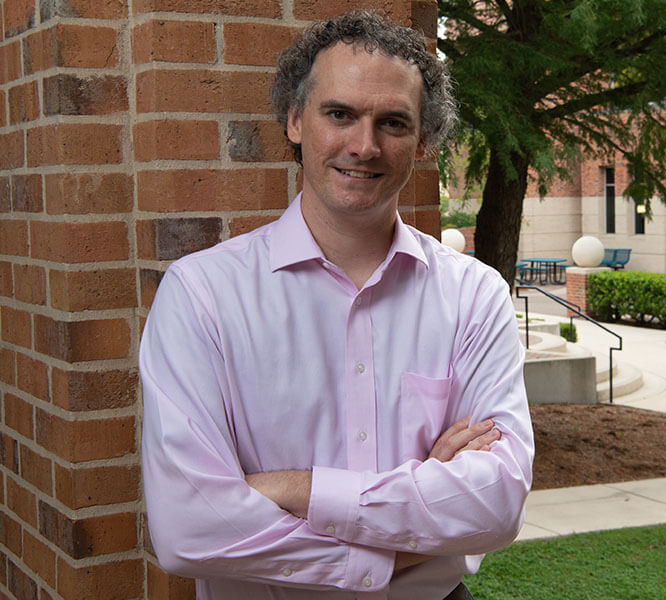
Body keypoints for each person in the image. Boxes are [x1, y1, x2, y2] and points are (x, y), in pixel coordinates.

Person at [139, 11, 534, 600]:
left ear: (424, 141)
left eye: (394, 122)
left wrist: (290, 489)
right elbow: (187, 528)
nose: (364, 145)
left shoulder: (475, 296)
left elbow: (497, 502)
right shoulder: (202, 296)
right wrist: (408, 530)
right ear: (296, 120)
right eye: (340, 114)